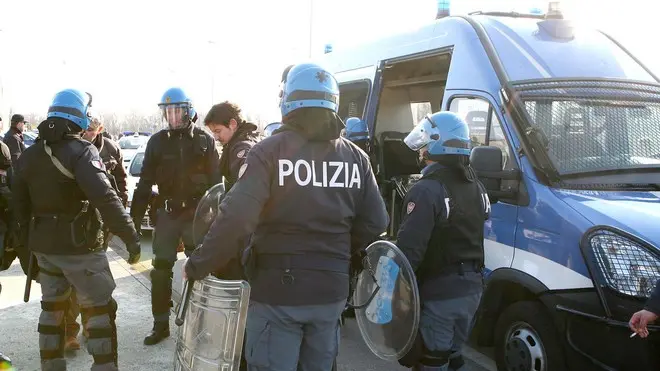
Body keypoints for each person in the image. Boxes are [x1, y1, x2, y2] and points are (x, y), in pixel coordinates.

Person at [183, 62, 389, 371]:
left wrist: (198, 264)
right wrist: (336, 252)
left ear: (287, 101)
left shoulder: (269, 152)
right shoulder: (355, 158)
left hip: (277, 292)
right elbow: (376, 222)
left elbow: (236, 218)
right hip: (330, 293)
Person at [12, 89, 141, 371]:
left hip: (45, 251)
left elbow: (18, 209)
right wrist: (130, 235)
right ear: (80, 116)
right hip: (81, 249)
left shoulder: (29, 154)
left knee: (52, 309)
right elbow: (106, 198)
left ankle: (52, 366)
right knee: (99, 312)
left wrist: (26, 247)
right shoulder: (83, 152)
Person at [396, 111, 490, 371]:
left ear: (435, 146)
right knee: (454, 356)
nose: (421, 151)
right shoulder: (476, 186)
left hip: (439, 294)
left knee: (432, 360)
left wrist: (392, 290)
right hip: (471, 290)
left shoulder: (426, 189)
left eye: (424, 145)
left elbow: (409, 251)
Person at [130, 87, 221, 346]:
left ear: (188, 111)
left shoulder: (205, 140)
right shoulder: (156, 142)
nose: (171, 116)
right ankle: (160, 324)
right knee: (160, 271)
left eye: (177, 110)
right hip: (168, 214)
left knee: (201, 270)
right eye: (167, 111)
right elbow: (145, 183)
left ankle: (201, 325)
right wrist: (133, 222)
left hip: (197, 215)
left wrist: (218, 219)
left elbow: (216, 185)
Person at [56, 116, 130, 352]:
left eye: (91, 130)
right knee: (73, 282)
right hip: (76, 226)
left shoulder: (111, 149)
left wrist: (121, 212)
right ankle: (69, 331)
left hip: (101, 225)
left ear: (100, 129)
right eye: (84, 129)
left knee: (95, 282)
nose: (86, 133)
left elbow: (121, 182)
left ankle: (91, 326)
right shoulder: (71, 149)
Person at [204, 101, 258, 192]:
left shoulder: (242, 149)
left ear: (233, 124)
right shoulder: (237, 144)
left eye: (218, 131)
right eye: (213, 132)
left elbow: (246, 190)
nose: (216, 137)